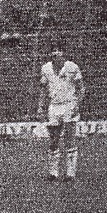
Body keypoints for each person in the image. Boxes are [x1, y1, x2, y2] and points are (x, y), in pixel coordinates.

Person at [37, 41, 84, 182]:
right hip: (54, 106)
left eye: (58, 50)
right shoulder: (46, 68)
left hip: (69, 105)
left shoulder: (72, 67)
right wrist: (40, 106)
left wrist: (77, 105)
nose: (55, 53)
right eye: (53, 50)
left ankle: (70, 174)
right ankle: (53, 173)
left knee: (70, 140)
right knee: (53, 140)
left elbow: (81, 88)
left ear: (63, 53)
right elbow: (43, 89)